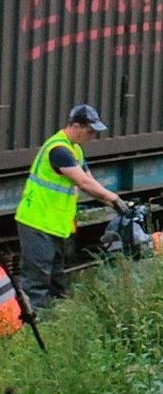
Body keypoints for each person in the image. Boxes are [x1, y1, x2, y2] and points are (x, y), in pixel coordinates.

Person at [16, 105, 129, 311]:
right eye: (90, 131)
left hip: (53, 225)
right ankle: (34, 324)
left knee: (56, 280)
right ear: (76, 126)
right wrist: (115, 199)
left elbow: (91, 182)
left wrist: (116, 204)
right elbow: (84, 183)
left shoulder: (74, 150)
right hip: (37, 222)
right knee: (37, 282)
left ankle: (55, 320)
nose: (93, 136)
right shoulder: (58, 150)